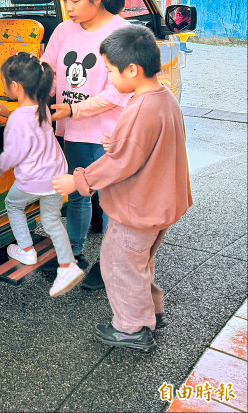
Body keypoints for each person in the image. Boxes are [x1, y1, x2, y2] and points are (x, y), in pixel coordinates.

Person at [52, 25, 191, 352]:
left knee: (119, 266)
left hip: (138, 209)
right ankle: (151, 312)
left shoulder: (141, 108)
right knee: (139, 263)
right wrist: (121, 141)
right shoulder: (163, 97)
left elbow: (120, 162)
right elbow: (149, 145)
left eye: (111, 71)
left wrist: (78, 180)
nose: (110, 78)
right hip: (161, 204)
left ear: (132, 69)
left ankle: (130, 329)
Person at [38, 0, 131, 290]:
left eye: (76, 1)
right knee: (78, 195)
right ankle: (73, 256)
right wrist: (33, 96)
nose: (70, 8)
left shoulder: (121, 34)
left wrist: (73, 109)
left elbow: (115, 91)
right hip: (75, 131)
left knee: (109, 201)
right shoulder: (64, 30)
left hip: (109, 134)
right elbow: (48, 72)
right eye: (66, 0)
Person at [0, 52, 84, 297]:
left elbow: (12, 155)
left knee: (12, 204)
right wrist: (8, 112)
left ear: (15, 86)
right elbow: (25, 119)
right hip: (57, 173)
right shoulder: (40, 105)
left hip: (33, 179)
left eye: (3, 82)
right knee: (51, 219)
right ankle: (67, 264)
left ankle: (26, 249)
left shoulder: (17, 121)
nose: (3, 86)